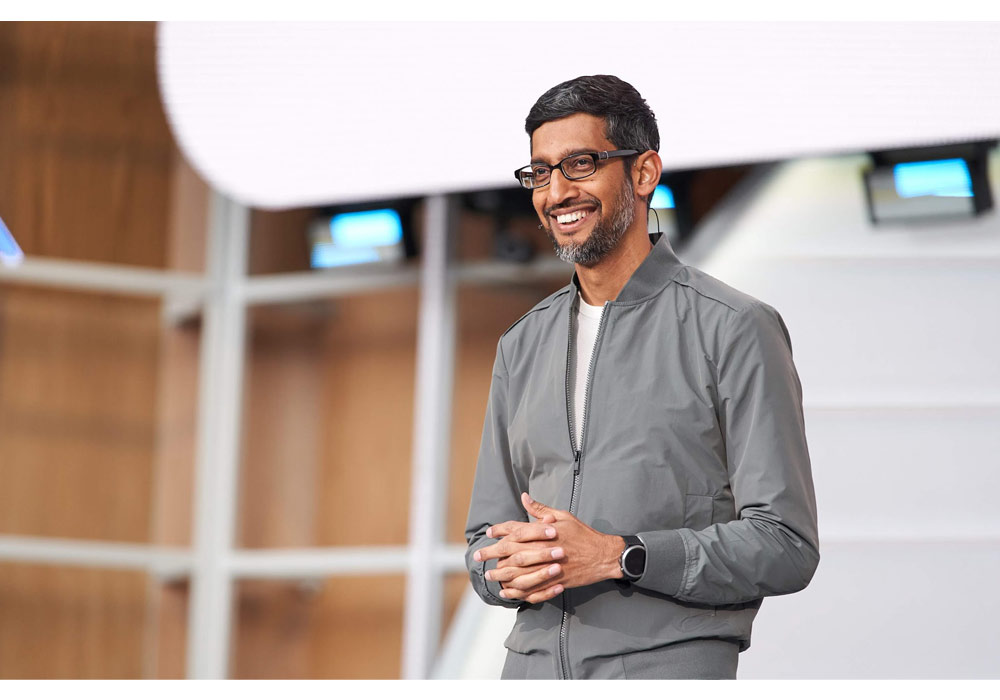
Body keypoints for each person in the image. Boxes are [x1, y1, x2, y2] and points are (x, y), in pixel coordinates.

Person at [463, 75, 819, 680]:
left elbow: (785, 543)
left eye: (579, 164)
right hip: (529, 671)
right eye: (540, 173)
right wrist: (502, 566)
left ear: (644, 172)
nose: (556, 192)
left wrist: (619, 556)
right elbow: (482, 541)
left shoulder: (734, 328)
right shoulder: (521, 343)